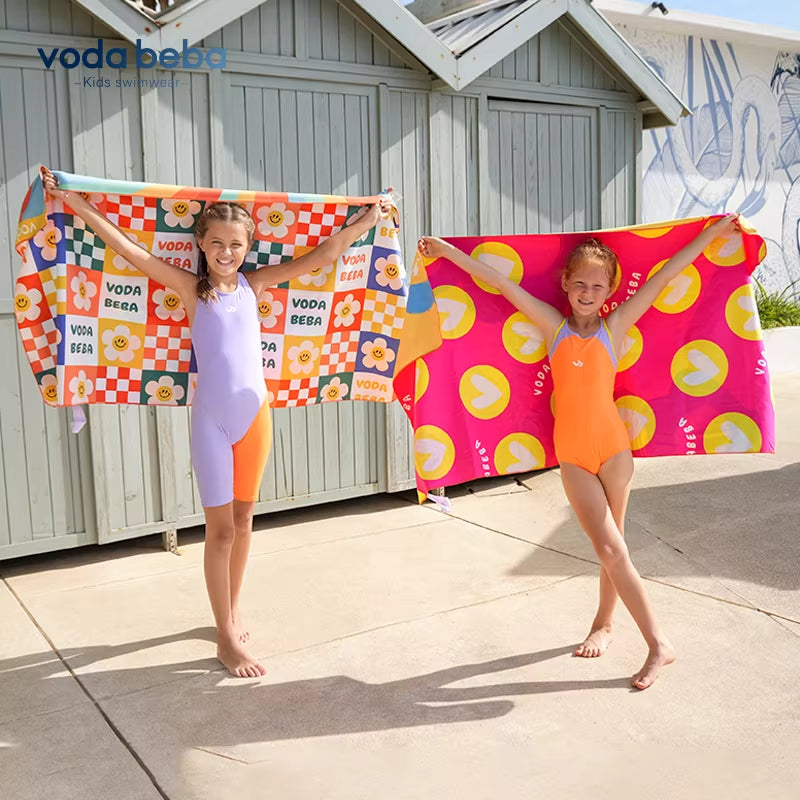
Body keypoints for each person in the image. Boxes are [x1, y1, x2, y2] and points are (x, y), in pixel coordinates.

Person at [41, 167, 393, 678]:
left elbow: (324, 255)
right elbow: (128, 250)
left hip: (256, 419)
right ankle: (225, 637)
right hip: (211, 422)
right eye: (217, 244)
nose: (226, 252)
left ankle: (231, 611)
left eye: (236, 244)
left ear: (247, 246)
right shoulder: (191, 288)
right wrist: (74, 202)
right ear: (202, 245)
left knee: (246, 523)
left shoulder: (254, 284)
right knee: (221, 531)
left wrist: (369, 219)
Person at [418, 215, 740, 689]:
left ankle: (629, 634)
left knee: (615, 548)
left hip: (615, 451)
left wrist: (711, 235)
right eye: (580, 283)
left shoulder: (615, 326)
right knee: (611, 548)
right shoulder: (554, 327)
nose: (588, 292)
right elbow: (501, 283)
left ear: (610, 291)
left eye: (598, 285)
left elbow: (666, 275)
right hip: (574, 457)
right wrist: (449, 253)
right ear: (566, 284)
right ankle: (639, 637)